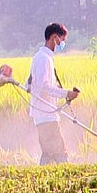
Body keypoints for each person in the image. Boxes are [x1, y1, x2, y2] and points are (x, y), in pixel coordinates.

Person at [27, 23, 79, 165]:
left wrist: (66, 95)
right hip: (45, 114)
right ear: (54, 38)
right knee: (58, 151)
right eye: (62, 40)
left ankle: (46, 179)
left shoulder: (44, 58)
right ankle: (67, 176)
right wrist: (66, 93)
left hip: (46, 114)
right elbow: (44, 87)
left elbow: (30, 84)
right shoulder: (43, 59)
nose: (62, 44)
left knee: (49, 153)